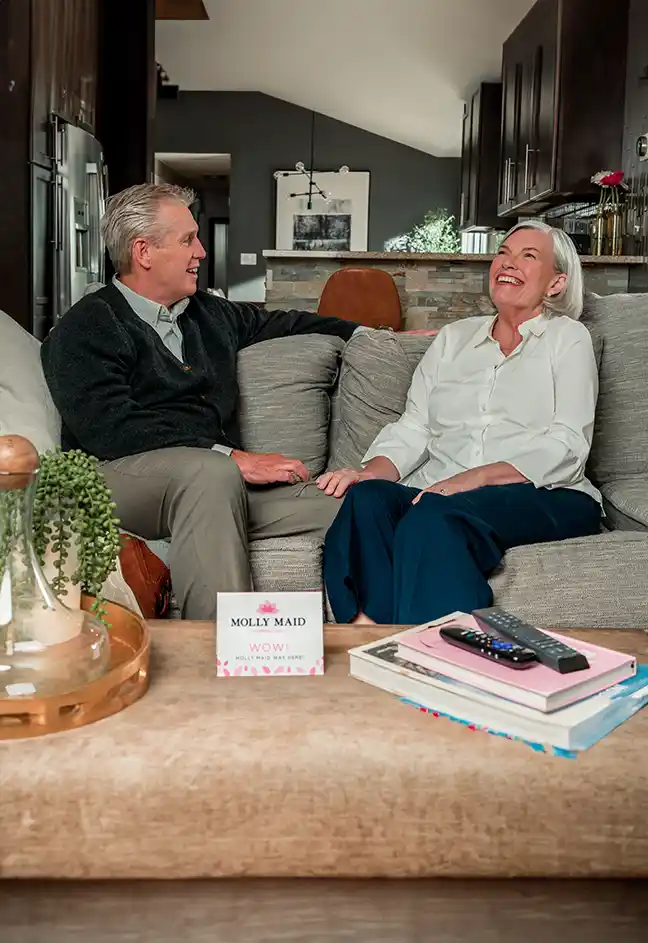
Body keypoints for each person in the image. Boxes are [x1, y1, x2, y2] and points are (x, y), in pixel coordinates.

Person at [41, 182, 363, 620]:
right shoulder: (86, 326)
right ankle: (218, 660)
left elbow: (288, 323)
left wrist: (370, 335)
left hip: (208, 487)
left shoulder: (210, 314)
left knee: (364, 505)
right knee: (210, 472)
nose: (202, 252)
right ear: (143, 251)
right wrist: (230, 456)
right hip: (111, 479)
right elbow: (111, 429)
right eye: (188, 239)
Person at [318, 220, 602, 626]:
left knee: (434, 516)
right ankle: (372, 632)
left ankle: (447, 655)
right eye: (503, 252)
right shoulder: (454, 338)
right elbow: (414, 426)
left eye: (528, 256)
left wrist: (475, 478)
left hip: (544, 493)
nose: (509, 262)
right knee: (369, 500)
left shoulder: (568, 338)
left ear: (555, 284)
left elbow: (568, 444)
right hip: (442, 492)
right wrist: (366, 473)